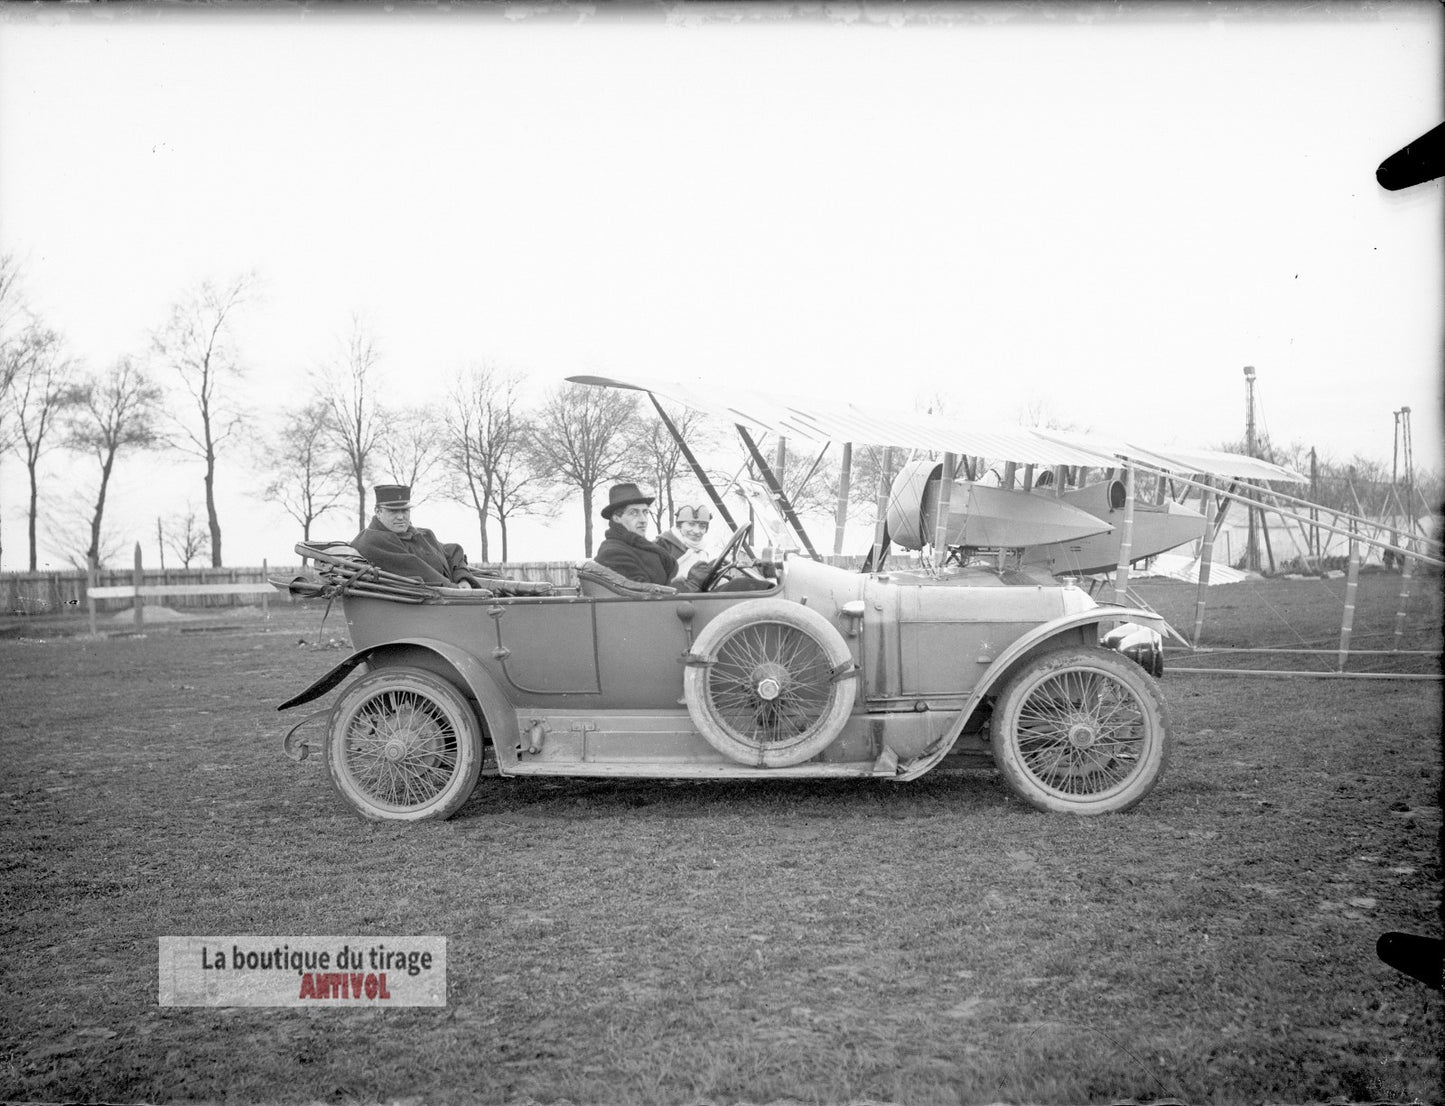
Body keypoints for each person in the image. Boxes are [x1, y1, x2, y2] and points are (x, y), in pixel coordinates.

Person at [352, 484, 487, 588]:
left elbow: (453, 551)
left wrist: (462, 577)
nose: (400, 517)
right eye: (393, 511)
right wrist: (455, 588)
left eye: (405, 510)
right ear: (378, 512)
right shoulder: (372, 540)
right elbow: (416, 570)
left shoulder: (424, 534)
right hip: (421, 609)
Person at [594, 483, 712, 590]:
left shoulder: (640, 547)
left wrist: (683, 581)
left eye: (645, 512)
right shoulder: (613, 553)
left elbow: (659, 587)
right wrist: (692, 584)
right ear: (616, 518)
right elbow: (645, 599)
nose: (643, 520)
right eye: (634, 513)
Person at [656, 503, 713, 579]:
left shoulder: (703, 554)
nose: (697, 531)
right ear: (679, 526)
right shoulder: (662, 545)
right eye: (691, 524)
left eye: (702, 526)